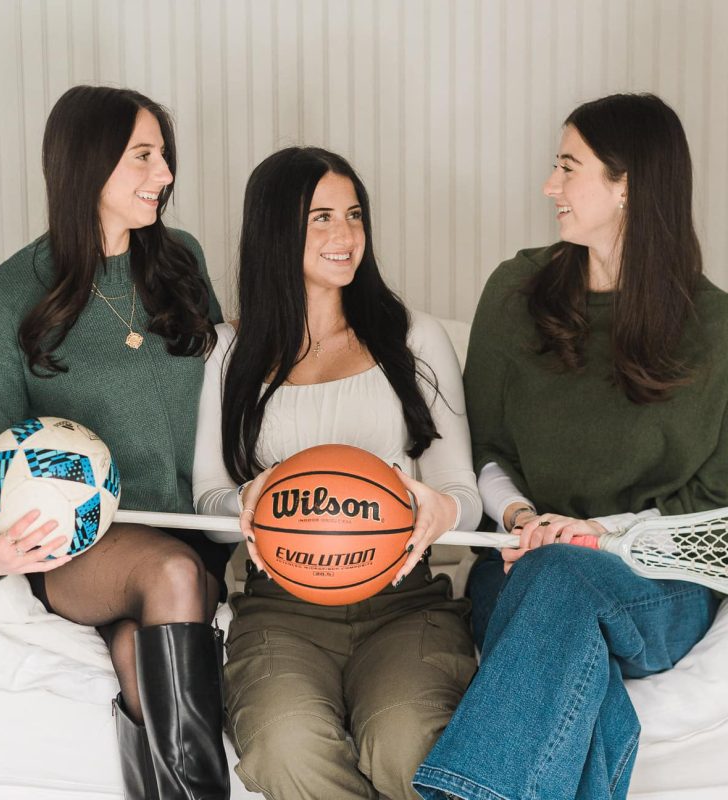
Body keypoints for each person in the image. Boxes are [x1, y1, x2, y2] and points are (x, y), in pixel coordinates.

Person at [413, 93, 728, 800]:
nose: (549, 186)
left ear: (630, 187)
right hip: (522, 558)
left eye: (567, 167)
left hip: (658, 575)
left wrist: (595, 533)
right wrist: (525, 519)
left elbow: (717, 496)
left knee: (561, 578)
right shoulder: (516, 291)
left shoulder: (717, 327)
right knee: (555, 594)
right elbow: (483, 449)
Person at [0, 85, 231, 800]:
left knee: (141, 643)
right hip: (81, 547)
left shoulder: (182, 263)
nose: (165, 174)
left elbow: (230, 400)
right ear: (86, 164)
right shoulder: (4, 301)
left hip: (194, 528)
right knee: (167, 578)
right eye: (144, 155)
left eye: (164, 156)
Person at [192, 146, 482, 799]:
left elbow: (461, 490)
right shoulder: (227, 352)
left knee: (406, 742)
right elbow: (208, 509)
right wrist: (247, 499)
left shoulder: (414, 338)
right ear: (274, 229)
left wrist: (442, 509)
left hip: (406, 604)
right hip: (280, 610)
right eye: (320, 217)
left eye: (353, 215)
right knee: (283, 746)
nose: (345, 235)